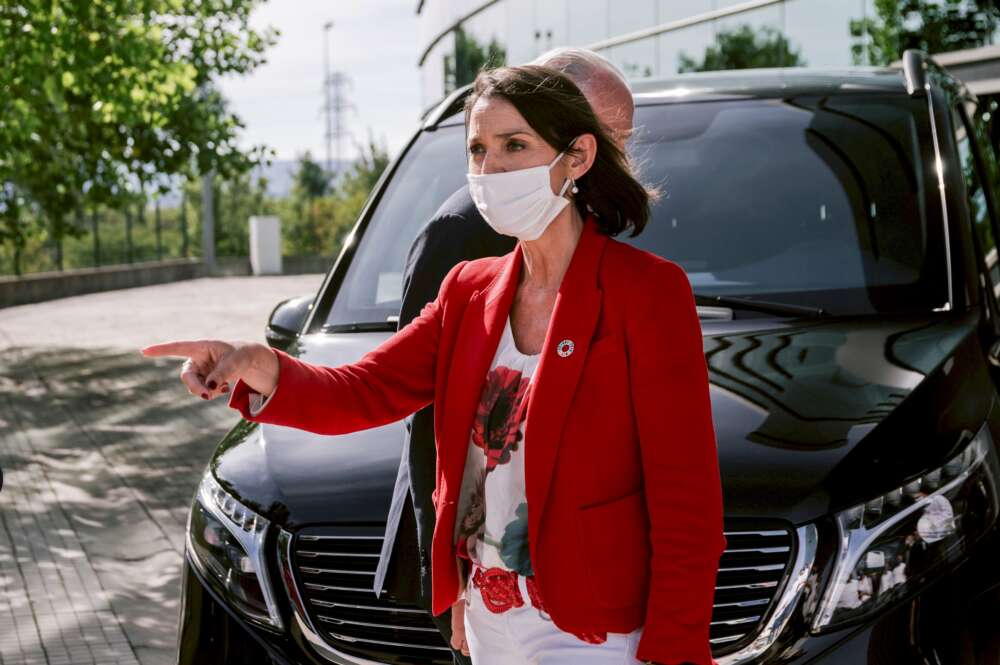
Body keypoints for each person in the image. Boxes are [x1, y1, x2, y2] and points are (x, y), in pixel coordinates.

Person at [142, 64, 726, 665]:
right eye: (478, 148)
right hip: (488, 616)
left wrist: (675, 646)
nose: (490, 169)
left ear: (577, 157)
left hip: (593, 631)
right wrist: (255, 364)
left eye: (514, 146)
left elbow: (688, 502)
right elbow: (363, 391)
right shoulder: (467, 290)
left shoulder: (648, 293)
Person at [377, 47, 636, 664]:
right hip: (487, 577)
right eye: (607, 135)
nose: (614, 155)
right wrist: (449, 585)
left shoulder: (591, 217)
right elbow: (429, 416)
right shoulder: (463, 234)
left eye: (621, 140)